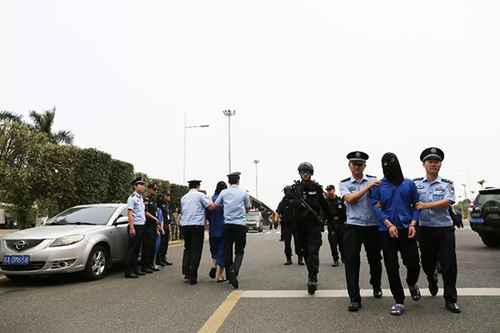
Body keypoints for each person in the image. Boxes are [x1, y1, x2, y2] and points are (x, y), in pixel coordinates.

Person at [370, 153, 421, 316]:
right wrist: (388, 224)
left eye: (391, 162)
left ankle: (412, 283)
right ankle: (399, 300)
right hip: (386, 232)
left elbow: (416, 205)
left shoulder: (408, 184)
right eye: (385, 163)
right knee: (391, 267)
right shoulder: (379, 185)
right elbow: (375, 207)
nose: (388, 166)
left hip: (407, 229)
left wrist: (413, 223)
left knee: (413, 263)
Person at [414, 147, 461, 313]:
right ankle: (431, 278)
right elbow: (408, 200)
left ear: (440, 165)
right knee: (427, 262)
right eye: (430, 162)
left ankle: (450, 298)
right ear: (424, 165)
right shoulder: (415, 184)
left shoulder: (447, 184)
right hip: (425, 229)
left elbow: (448, 201)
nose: (433, 164)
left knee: (449, 264)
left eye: (436, 161)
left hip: (444, 229)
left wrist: (425, 205)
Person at [339, 151, 383, 312]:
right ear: (349, 165)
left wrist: (380, 204)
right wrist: (369, 187)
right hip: (353, 226)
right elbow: (350, 199)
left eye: (360, 164)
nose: (357, 167)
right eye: (354, 164)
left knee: (375, 260)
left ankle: (376, 285)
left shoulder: (375, 180)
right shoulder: (344, 183)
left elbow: (383, 198)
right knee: (351, 262)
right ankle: (354, 298)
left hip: (372, 226)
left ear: (365, 165)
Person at [288, 162, 333, 295]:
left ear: (311, 174)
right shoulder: (294, 189)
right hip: (300, 225)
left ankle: (312, 277)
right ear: (300, 174)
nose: (305, 174)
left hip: (314, 224)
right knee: (304, 251)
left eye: (308, 172)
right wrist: (296, 203)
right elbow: (285, 202)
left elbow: (325, 206)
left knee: (313, 250)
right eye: (303, 172)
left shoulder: (317, 188)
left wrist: (332, 224)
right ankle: (310, 271)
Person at [210, 172, 251, 289]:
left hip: (227, 225)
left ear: (229, 182)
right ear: (238, 180)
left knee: (227, 250)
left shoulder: (224, 193)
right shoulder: (244, 193)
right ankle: (235, 269)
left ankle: (228, 275)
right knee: (239, 250)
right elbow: (247, 209)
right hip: (240, 225)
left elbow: (215, 206)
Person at [181, 179, 216, 285]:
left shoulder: (183, 197)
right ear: (198, 187)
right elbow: (210, 207)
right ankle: (193, 275)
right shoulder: (200, 195)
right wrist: (212, 200)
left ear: (188, 187)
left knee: (187, 248)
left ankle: (186, 272)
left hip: (185, 225)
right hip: (197, 225)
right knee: (196, 250)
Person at [124, 177, 147, 278]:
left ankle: (135, 269)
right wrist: (132, 228)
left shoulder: (140, 198)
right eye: (140, 185)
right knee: (132, 249)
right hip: (135, 226)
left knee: (138, 249)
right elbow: (130, 214)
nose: (143, 187)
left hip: (141, 225)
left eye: (143, 185)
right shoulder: (132, 198)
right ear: (135, 186)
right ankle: (128, 271)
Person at [275, 186, 303, 266]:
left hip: (297, 224)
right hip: (286, 225)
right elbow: (278, 211)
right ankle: (288, 258)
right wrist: (275, 221)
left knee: (298, 242)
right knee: (287, 242)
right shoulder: (283, 202)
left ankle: (300, 258)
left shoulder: (298, 200)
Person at [206, 181, 227, 282]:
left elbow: (207, 214)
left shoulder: (210, 200)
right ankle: (220, 275)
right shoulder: (224, 200)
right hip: (223, 229)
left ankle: (214, 266)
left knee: (214, 249)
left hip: (213, 228)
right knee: (222, 251)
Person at [325, 185, 347, 267]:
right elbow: (323, 213)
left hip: (341, 223)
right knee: (333, 243)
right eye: (328, 190)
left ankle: (344, 257)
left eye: (330, 190)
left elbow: (345, 212)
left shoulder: (340, 200)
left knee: (342, 242)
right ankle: (335, 259)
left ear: (334, 190)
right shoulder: (326, 202)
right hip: (331, 224)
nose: (329, 191)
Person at [143, 184, 160, 273]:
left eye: (156, 190)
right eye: (153, 189)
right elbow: (145, 212)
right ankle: (144, 266)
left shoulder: (153, 201)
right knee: (147, 246)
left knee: (152, 246)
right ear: (149, 190)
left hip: (153, 226)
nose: (155, 191)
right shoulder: (146, 200)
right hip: (148, 226)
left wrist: (156, 226)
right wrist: (155, 219)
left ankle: (150, 264)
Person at [157, 191, 173, 266]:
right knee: (162, 243)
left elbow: (167, 215)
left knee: (166, 242)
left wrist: (169, 225)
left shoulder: (167, 204)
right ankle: (159, 258)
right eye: (167, 195)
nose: (169, 197)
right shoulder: (160, 204)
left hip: (167, 224)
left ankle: (164, 257)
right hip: (162, 224)